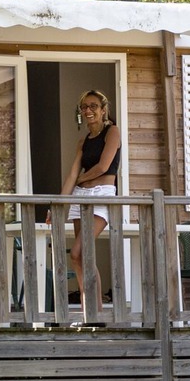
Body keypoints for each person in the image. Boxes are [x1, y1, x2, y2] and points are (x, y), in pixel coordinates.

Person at [52, 89, 121, 313]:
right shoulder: (83, 141)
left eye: (93, 106)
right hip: (80, 196)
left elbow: (103, 167)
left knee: (78, 252)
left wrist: (80, 179)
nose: (88, 110)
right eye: (84, 107)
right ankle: (89, 312)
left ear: (103, 110)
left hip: (102, 195)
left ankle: (95, 312)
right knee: (82, 258)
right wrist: (57, 206)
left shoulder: (112, 132)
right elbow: (72, 174)